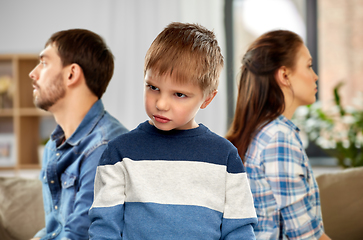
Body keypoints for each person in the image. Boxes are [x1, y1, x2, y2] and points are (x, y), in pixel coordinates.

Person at [89, 22, 257, 240]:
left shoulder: (224, 157)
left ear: (207, 98)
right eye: (153, 87)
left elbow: (239, 231)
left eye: (179, 94)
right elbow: (104, 229)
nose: (161, 104)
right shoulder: (119, 153)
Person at [225, 30, 331, 240]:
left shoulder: (263, 132)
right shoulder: (279, 139)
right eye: (309, 66)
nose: (315, 75)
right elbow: (306, 237)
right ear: (284, 75)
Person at [29, 29, 129, 240]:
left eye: (44, 63)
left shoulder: (105, 147)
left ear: (71, 74)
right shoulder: (53, 147)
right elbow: (55, 229)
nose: (33, 73)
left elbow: (78, 236)